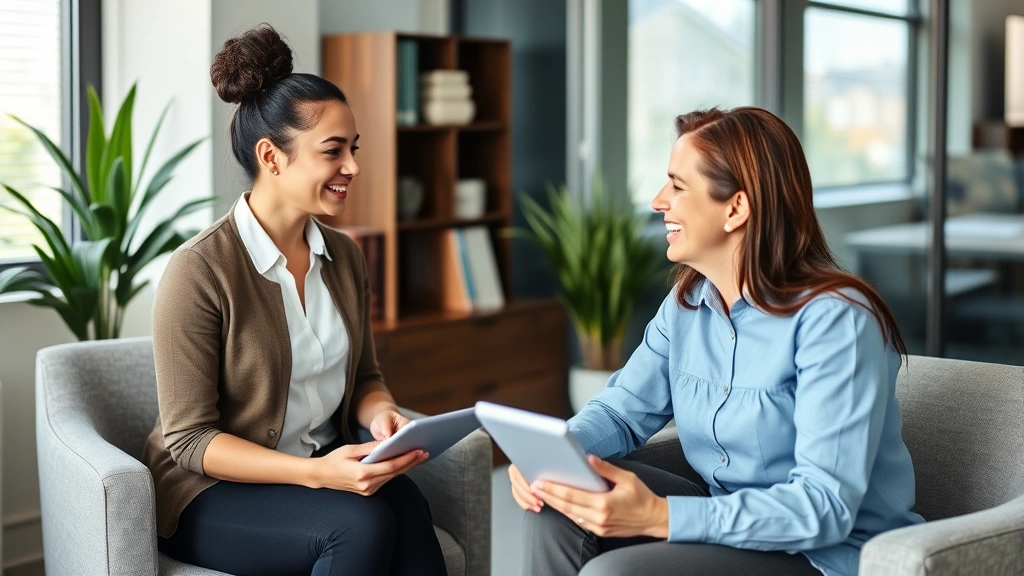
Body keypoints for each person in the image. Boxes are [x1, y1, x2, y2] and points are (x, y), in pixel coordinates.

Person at [510, 106, 925, 576]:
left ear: (736, 208)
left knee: (615, 573)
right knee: (559, 500)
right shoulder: (687, 304)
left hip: (825, 553)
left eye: (677, 186)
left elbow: (823, 507)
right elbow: (620, 411)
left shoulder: (835, 321)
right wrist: (554, 455)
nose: (657, 200)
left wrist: (662, 517)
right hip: (727, 517)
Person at [142, 24, 447, 576]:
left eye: (353, 149)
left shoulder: (346, 256)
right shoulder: (199, 271)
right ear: (272, 157)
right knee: (361, 524)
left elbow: (366, 378)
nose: (353, 166)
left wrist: (381, 417)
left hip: (319, 465)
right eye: (334, 151)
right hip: (210, 490)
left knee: (407, 506)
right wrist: (319, 474)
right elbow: (188, 440)